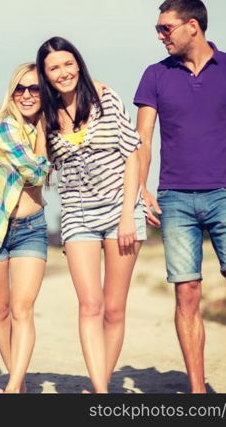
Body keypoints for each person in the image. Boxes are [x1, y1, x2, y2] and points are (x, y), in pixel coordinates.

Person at [134, 0, 226, 393]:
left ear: (193, 25)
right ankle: (195, 390)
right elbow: (142, 140)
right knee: (187, 292)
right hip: (175, 198)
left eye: (165, 28)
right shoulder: (155, 75)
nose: (160, 36)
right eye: (158, 29)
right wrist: (141, 189)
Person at [38, 36, 145, 393]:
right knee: (90, 304)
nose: (63, 72)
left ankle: (103, 380)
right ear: (46, 75)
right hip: (77, 215)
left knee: (114, 308)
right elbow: (36, 163)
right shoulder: (46, 114)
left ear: (79, 64)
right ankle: (100, 391)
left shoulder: (104, 96)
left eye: (68, 64)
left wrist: (128, 214)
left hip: (121, 210)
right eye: (54, 68)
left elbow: (132, 153)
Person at [0, 62, 50, 393]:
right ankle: (15, 379)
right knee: (0, 311)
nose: (28, 95)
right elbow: (35, 173)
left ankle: (15, 385)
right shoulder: (5, 125)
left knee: (22, 309)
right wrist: (44, 142)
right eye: (21, 88)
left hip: (31, 227)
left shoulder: (49, 125)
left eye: (35, 88)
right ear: (12, 92)